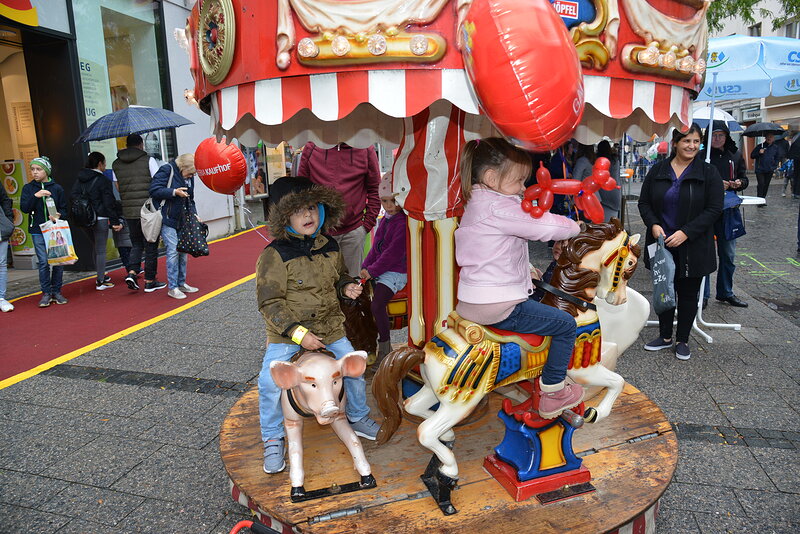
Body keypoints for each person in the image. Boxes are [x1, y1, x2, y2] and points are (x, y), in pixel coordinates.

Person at [256, 176, 380, 474]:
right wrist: (299, 334)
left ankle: (358, 414)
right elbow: (269, 303)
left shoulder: (330, 244)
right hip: (288, 335)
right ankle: (273, 436)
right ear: (283, 217)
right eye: (299, 211)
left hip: (330, 327)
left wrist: (347, 287)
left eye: (312, 208)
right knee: (268, 382)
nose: (308, 215)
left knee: (353, 366)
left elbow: (339, 276)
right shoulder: (274, 255)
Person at [455, 137, 583, 419]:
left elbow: (499, 252)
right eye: (519, 180)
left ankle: (529, 369)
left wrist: (528, 273)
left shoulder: (478, 202)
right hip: (496, 305)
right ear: (491, 177)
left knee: (542, 295)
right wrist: (575, 227)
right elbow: (541, 225)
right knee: (565, 324)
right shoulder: (499, 206)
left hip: (472, 299)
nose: (523, 188)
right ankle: (553, 391)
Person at [638, 124, 723, 361]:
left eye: (696, 142)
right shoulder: (658, 170)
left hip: (693, 243)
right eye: (687, 141)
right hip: (661, 243)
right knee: (664, 289)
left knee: (688, 292)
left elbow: (714, 209)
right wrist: (653, 225)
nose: (692, 146)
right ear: (675, 142)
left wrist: (686, 232)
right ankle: (665, 336)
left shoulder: (708, 173)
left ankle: (682, 339)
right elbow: (644, 203)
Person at [297, 142, 381, 277]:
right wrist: (308, 227)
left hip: (353, 231)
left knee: (352, 285)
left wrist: (365, 226)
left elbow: (375, 188)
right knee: (323, 284)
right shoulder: (312, 147)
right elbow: (301, 188)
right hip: (320, 232)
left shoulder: (365, 148)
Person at [700, 122, 749, 309]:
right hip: (706, 211)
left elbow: (744, 179)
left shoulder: (734, 155)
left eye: (721, 135)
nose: (717, 138)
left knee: (728, 254)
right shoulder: (701, 156)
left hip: (728, 211)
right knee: (705, 254)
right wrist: (713, 184)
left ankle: (725, 291)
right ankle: (702, 294)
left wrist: (738, 183)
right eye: (714, 135)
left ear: (726, 136)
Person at [360, 172, 407, 362]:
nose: (389, 206)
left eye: (393, 201)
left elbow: (392, 254)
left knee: (377, 304)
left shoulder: (402, 223)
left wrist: (372, 271)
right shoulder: (385, 220)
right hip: (384, 269)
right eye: (385, 201)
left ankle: (385, 345)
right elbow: (376, 248)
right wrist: (364, 267)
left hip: (396, 271)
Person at [112, 133, 166, 292]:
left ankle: (132, 271)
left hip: (129, 211)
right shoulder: (148, 160)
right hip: (147, 210)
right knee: (150, 243)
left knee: (136, 243)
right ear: (141, 144)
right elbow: (158, 183)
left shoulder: (116, 164)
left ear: (127, 145)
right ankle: (150, 281)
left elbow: (117, 186)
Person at [148, 154, 199, 300]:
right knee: (173, 249)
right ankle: (173, 287)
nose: (191, 176)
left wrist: (195, 214)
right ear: (183, 167)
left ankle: (181, 283)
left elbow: (191, 198)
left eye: (193, 174)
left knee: (183, 251)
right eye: (190, 173)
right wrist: (173, 192)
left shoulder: (189, 176)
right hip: (167, 217)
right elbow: (153, 190)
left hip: (183, 218)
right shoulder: (166, 170)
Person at [19, 156, 68, 307]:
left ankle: (57, 291)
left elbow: (64, 209)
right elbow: (24, 208)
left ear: (46, 171)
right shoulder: (28, 188)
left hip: (55, 230)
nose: (35, 172)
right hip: (37, 230)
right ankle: (46, 293)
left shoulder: (57, 188)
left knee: (58, 260)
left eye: (38, 169)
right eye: (32, 169)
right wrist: (36, 196)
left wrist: (59, 215)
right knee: (44, 262)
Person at [74, 152, 123, 290]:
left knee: (95, 247)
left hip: (83, 219)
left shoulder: (80, 179)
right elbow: (109, 203)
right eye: (104, 163)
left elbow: (74, 196)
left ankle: (100, 275)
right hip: (100, 218)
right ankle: (101, 280)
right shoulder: (103, 181)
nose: (105, 166)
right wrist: (115, 221)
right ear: (100, 163)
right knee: (101, 250)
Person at [597, 140, 623, 221]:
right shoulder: (615, 160)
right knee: (613, 221)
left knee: (603, 221)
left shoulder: (598, 161)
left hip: (603, 193)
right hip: (615, 192)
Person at [750, 132, 780, 203]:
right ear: (765, 138)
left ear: (773, 138)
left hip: (769, 169)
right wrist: (759, 153)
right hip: (760, 169)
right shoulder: (760, 146)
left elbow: (777, 158)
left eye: (771, 137)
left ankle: (763, 199)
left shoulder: (775, 148)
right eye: (768, 137)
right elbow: (752, 155)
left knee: (766, 185)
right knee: (761, 184)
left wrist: (774, 166)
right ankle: (759, 200)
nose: (769, 138)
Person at [0, 185, 13, 312]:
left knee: (1, 264)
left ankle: (1, 298)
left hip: (1, 226)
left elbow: (4, 199)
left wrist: (8, 221)